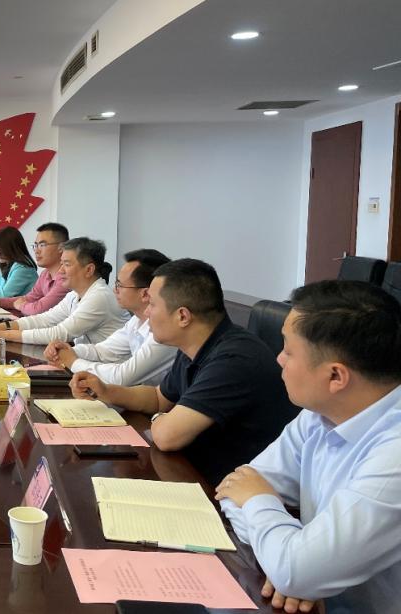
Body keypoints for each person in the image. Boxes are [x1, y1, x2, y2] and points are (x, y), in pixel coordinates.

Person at [216, 280, 401, 614]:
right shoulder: (319, 415)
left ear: (336, 377)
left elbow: (293, 569)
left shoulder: (394, 453)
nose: (278, 359)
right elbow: (233, 489)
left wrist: (296, 565)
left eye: (288, 351)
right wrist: (291, 560)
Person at [69, 258, 298, 487]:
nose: (146, 312)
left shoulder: (235, 359)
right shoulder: (194, 345)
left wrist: (159, 418)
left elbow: (167, 437)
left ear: (182, 316)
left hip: (227, 493)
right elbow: (158, 398)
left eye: (153, 305)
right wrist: (107, 391)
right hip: (195, 472)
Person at [43, 249, 176, 386]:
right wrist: (66, 351)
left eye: (120, 285)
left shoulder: (166, 331)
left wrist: (73, 362)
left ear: (145, 294)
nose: (114, 290)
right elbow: (103, 351)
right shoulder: (136, 320)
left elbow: (122, 377)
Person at [0, 237, 126, 346]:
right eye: (61, 263)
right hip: (89, 364)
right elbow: (45, 319)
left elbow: (60, 333)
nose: (61, 270)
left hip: (107, 370)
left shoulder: (99, 297)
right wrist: (3, 326)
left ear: (89, 270)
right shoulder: (74, 295)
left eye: (67, 264)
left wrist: (3, 334)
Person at [0, 223, 70, 315]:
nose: (36, 251)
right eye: (35, 245)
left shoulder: (66, 277)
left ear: (61, 247)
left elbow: (39, 309)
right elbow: (29, 298)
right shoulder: (45, 274)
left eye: (42, 245)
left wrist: (20, 305)